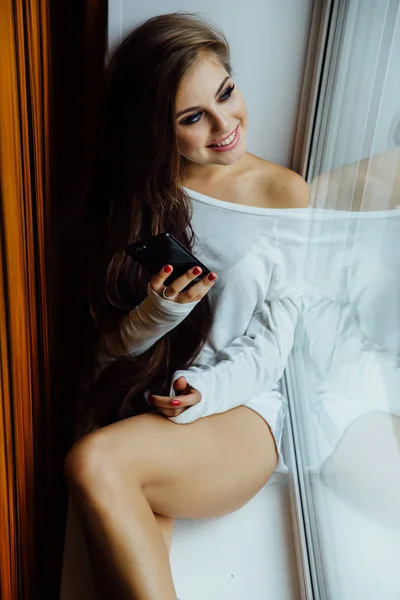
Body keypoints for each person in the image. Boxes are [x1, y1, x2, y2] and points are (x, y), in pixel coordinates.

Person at [64, 11, 309, 600]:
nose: (225, 125)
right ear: (158, 130)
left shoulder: (285, 192)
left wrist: (207, 398)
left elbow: (275, 344)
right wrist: (159, 314)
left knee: (94, 463)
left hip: (241, 409)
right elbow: (106, 348)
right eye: (193, 117)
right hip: (149, 402)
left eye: (226, 93)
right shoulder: (138, 201)